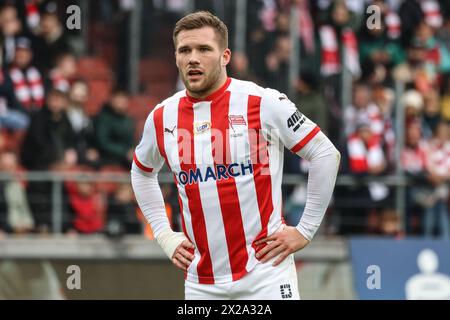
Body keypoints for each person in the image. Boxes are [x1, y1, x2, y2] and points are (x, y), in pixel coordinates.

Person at [131, 11, 340, 300]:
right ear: (176, 57)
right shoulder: (161, 117)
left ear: (225, 56)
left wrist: (305, 230)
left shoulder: (263, 102)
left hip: (266, 275)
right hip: (202, 284)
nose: (193, 58)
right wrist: (164, 235)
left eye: (204, 49)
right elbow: (141, 171)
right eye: (185, 50)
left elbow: (324, 152)